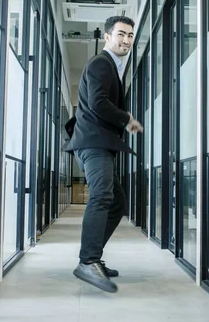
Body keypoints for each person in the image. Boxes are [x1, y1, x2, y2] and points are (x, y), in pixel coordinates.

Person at [63, 16, 143, 293]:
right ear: (107, 36)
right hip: (94, 143)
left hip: (100, 143)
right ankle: (88, 261)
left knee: (117, 203)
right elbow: (98, 102)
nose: (126, 40)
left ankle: (93, 255)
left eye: (130, 35)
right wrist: (127, 119)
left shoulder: (113, 67)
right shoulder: (102, 63)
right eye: (121, 34)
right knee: (101, 196)